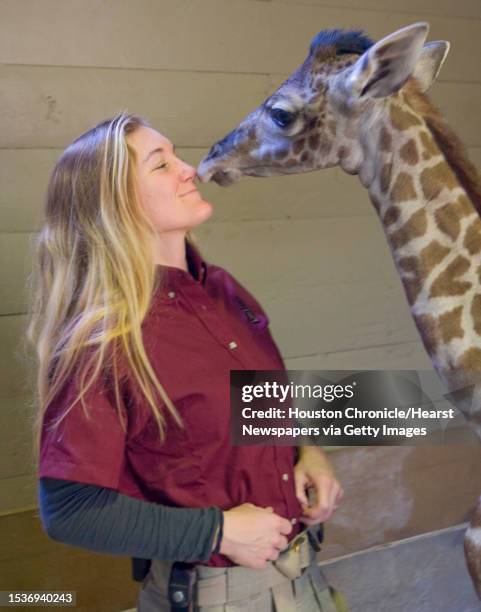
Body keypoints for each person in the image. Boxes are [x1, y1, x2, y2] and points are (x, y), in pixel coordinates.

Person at [27, 112, 345, 611]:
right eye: (161, 164)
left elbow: (248, 406)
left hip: (306, 577)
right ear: (116, 203)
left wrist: (307, 452)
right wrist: (216, 531)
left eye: (177, 155)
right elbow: (70, 512)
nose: (190, 169)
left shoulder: (221, 289)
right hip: (217, 597)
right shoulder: (103, 341)